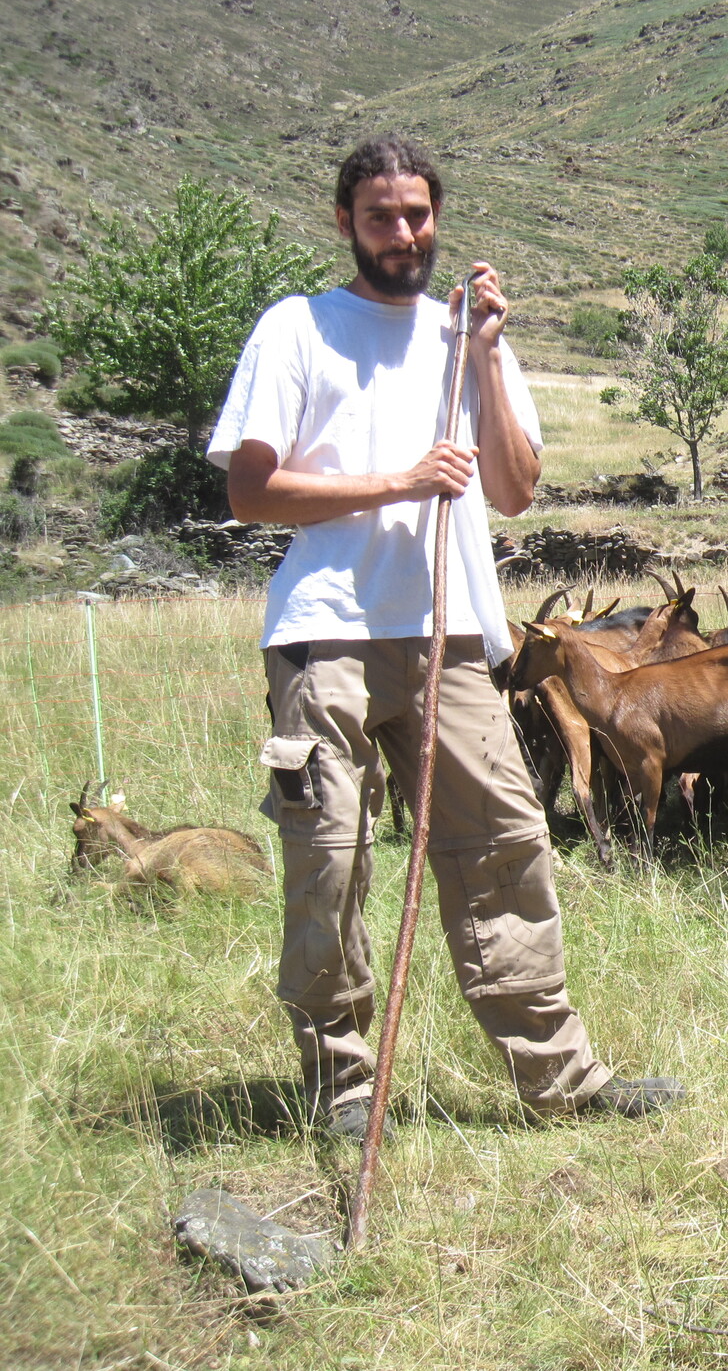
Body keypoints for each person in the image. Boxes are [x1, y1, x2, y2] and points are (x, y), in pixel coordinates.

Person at [208, 133, 680, 1140]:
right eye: (380, 216)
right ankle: (341, 1084)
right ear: (345, 223)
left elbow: (512, 488)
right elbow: (251, 490)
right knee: (329, 858)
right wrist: (399, 481)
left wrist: (487, 352)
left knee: (505, 845)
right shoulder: (296, 329)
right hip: (323, 632)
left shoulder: (464, 336)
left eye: (417, 214)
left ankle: (558, 1080)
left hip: (452, 634)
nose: (402, 232)